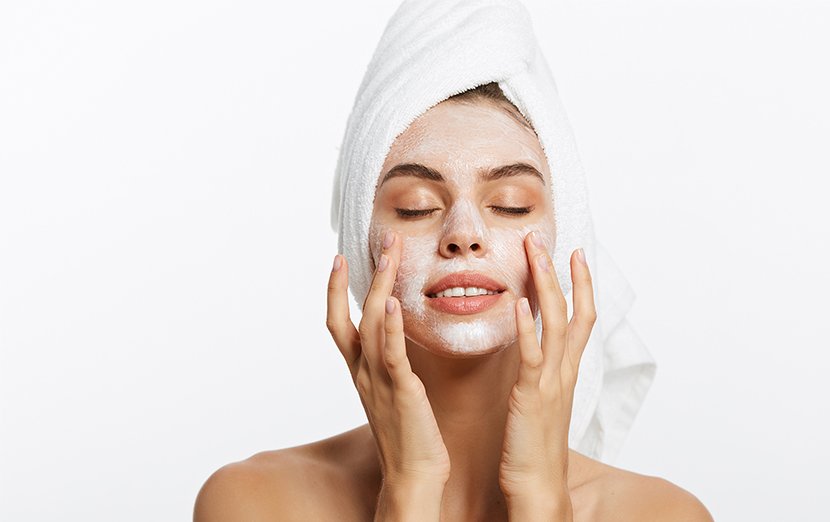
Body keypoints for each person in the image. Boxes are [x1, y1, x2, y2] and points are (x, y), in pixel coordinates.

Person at [195, 1, 713, 520]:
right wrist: (410, 488)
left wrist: (539, 495)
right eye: (415, 207)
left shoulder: (663, 513)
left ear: (564, 236)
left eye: (511, 203)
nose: (463, 235)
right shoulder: (256, 503)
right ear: (362, 241)